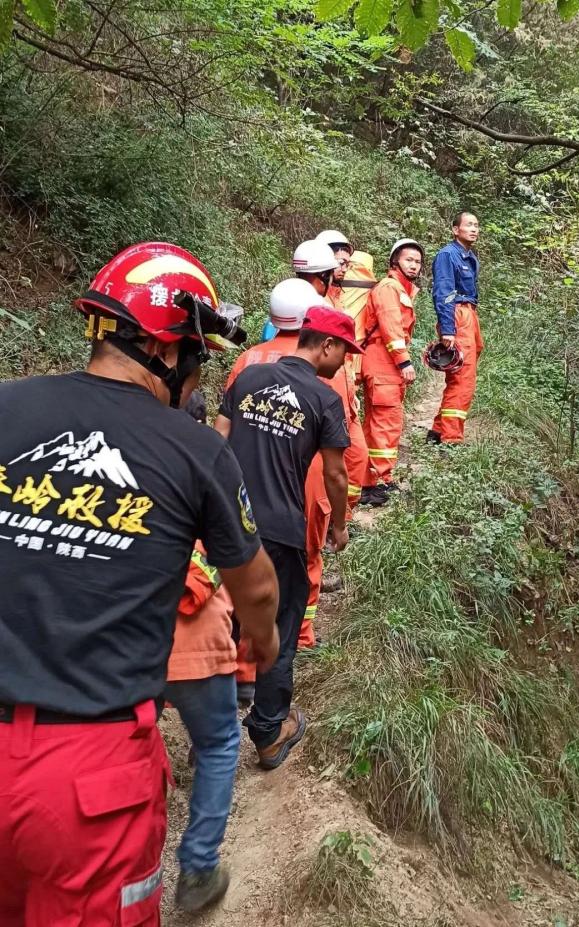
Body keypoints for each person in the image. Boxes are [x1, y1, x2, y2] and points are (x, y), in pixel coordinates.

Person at [0, 241, 280, 927]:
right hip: (87, 773)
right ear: (169, 345)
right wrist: (262, 644)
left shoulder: (8, 407)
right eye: (198, 351)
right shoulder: (197, 451)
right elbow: (259, 588)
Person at [215, 306, 363, 770]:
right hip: (279, 530)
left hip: (225, 522)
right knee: (280, 627)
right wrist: (339, 526)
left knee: (221, 620)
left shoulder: (246, 379)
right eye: (344, 351)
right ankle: (268, 730)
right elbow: (336, 474)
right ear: (326, 345)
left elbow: (216, 444)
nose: (344, 362)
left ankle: (211, 723)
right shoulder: (323, 399)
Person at [229, 281, 330, 696]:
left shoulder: (249, 360)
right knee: (296, 571)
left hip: (247, 477)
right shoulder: (318, 368)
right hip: (305, 476)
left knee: (241, 569)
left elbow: (228, 417)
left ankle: (237, 668)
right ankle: (294, 640)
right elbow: (340, 430)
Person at [164, 396, 238, 914]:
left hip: (130, 642)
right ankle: (197, 867)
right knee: (218, 742)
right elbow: (237, 563)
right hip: (198, 642)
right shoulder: (207, 465)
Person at [298, 237, 369, 516]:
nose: (343, 270)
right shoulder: (310, 308)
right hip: (323, 398)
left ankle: (344, 515)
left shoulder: (336, 300)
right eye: (338, 265)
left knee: (357, 456)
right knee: (326, 465)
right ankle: (332, 520)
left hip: (343, 394)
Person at [360, 238, 423, 507]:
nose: (414, 266)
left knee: (378, 424)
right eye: (409, 260)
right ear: (395, 261)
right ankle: (377, 483)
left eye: (418, 262)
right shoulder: (389, 288)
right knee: (385, 424)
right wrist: (403, 360)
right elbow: (390, 327)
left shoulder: (400, 289)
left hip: (385, 365)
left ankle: (371, 479)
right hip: (383, 364)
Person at [429, 211, 483, 445]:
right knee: (462, 378)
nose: (474, 229)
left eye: (476, 225)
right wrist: (448, 329)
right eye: (469, 225)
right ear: (455, 230)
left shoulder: (469, 257)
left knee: (465, 372)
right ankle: (451, 439)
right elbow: (444, 292)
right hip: (458, 315)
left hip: (470, 313)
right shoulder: (447, 255)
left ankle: (438, 430)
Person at [315, 229, 353, 310]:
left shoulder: (338, 294)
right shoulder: (312, 297)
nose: (345, 269)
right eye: (341, 263)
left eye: (347, 264)